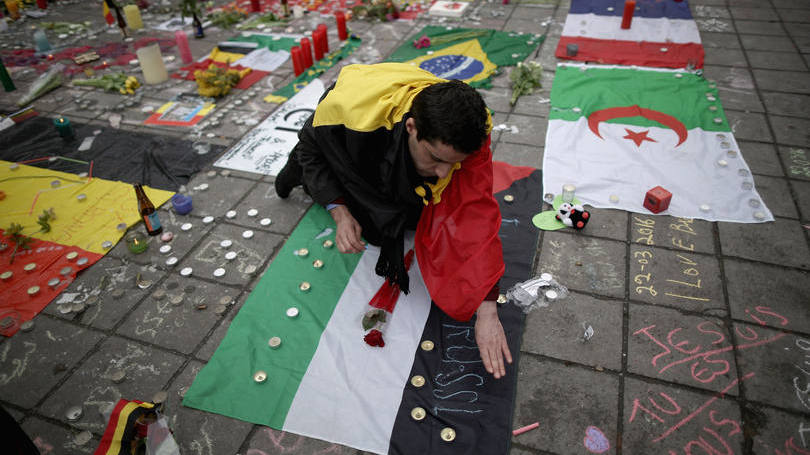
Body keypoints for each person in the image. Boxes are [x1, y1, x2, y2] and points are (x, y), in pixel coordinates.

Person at [274, 63, 512, 378]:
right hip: (353, 133)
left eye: (455, 163)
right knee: (364, 212)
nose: (444, 173)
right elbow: (312, 150)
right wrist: (340, 212)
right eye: (437, 159)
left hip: (389, 143)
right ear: (412, 127)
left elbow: (475, 214)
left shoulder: (472, 134)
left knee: (419, 217)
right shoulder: (347, 114)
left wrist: (487, 307)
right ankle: (302, 179)